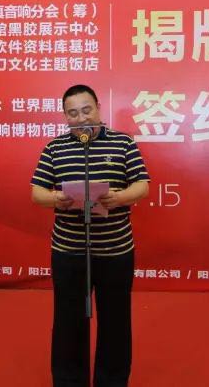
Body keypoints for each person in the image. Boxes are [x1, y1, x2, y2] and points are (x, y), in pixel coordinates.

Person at [30, 84, 150, 387]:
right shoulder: (54, 148)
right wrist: (56, 198)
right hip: (69, 252)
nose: (81, 118)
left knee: (115, 322)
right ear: (65, 116)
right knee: (69, 321)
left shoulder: (123, 143)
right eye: (73, 113)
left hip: (115, 251)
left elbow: (142, 185)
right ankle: (69, 381)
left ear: (98, 108)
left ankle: (112, 381)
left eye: (86, 110)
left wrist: (120, 198)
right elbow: (37, 192)